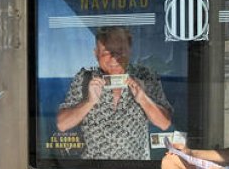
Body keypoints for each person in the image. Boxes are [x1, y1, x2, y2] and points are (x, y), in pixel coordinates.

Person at [55, 26, 173, 160]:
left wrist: (143, 98)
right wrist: (89, 102)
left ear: (130, 51)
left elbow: (164, 124)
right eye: (106, 52)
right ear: (96, 54)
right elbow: (62, 124)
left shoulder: (146, 76)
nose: (114, 58)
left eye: (120, 51)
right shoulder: (84, 78)